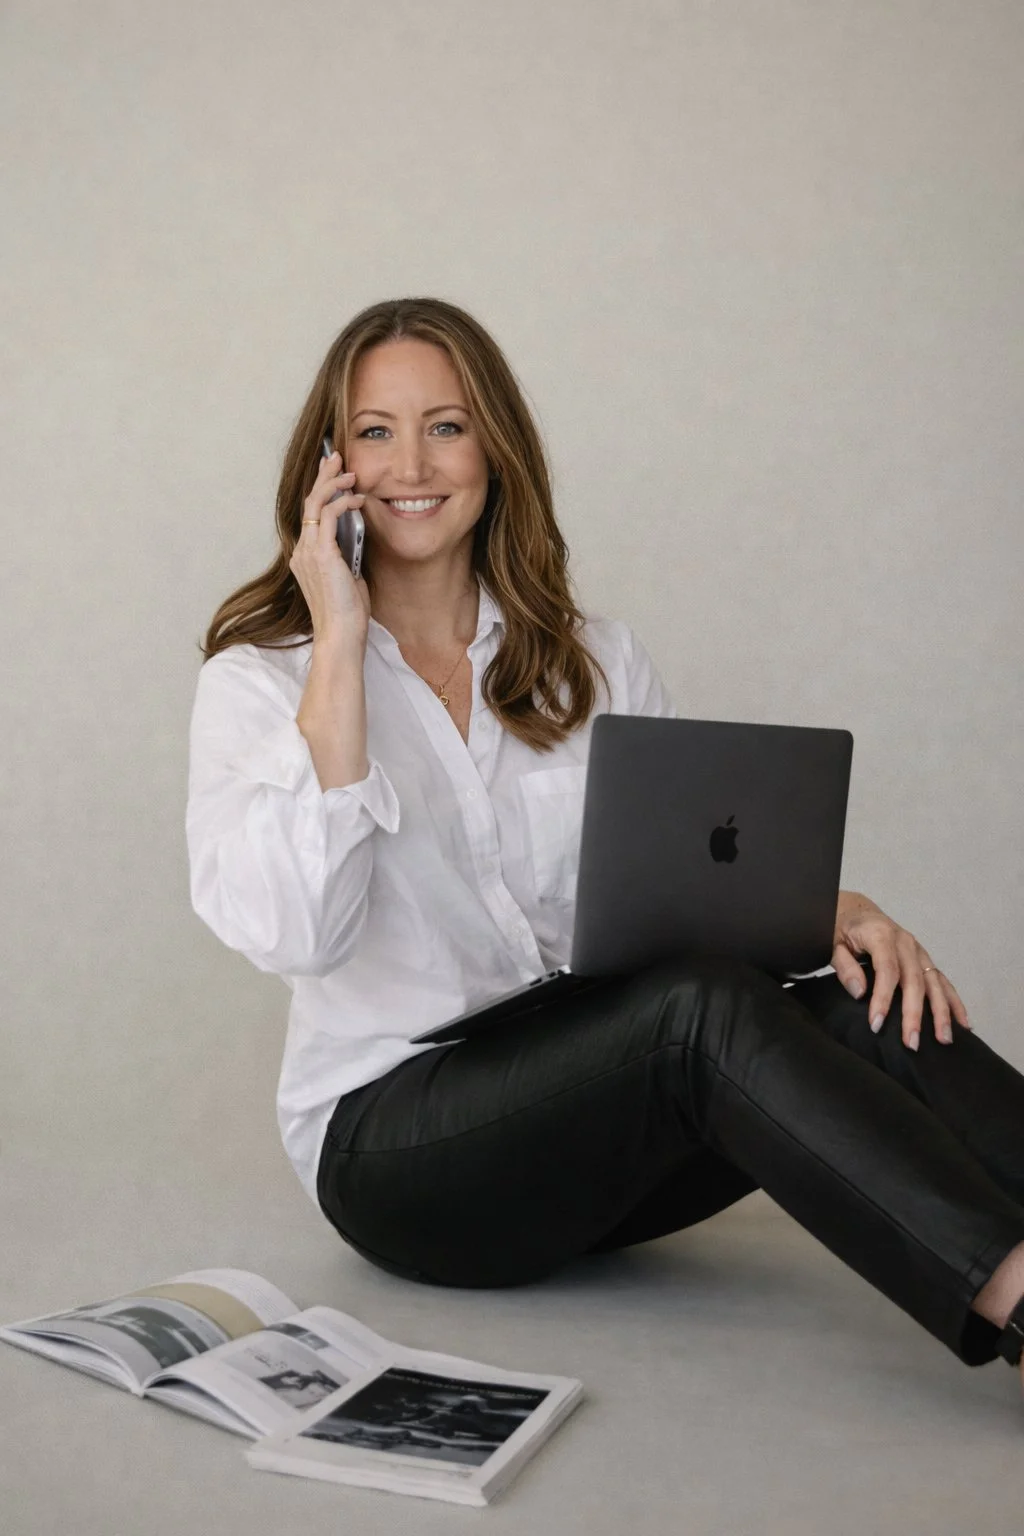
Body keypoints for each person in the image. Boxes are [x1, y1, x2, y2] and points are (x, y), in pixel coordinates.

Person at [186, 296, 1024, 1393]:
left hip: (594, 1128)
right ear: (330, 464)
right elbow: (300, 932)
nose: (410, 463)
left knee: (859, 1003)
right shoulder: (261, 682)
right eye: (375, 431)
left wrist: (835, 912)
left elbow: (672, 910)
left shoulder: (594, 663)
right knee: (703, 1010)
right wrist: (338, 644)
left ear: (494, 448)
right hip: (399, 1151)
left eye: (445, 425)